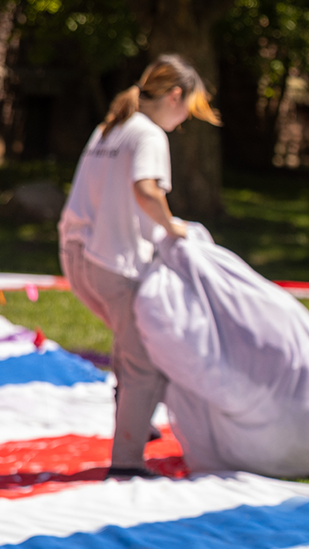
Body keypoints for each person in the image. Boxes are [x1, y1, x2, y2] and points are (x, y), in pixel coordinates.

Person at [58, 55, 220, 476]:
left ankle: (137, 422)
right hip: (113, 263)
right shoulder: (148, 134)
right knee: (144, 364)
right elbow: (146, 190)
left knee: (130, 346)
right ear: (175, 96)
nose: (184, 120)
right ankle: (126, 461)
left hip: (78, 255)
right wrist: (172, 228)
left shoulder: (110, 127)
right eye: (187, 109)